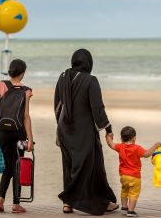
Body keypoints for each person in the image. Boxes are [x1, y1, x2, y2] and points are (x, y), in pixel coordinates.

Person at [54, 49, 118, 215]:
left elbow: (57, 105)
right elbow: (98, 108)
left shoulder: (62, 77)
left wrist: (59, 128)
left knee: (69, 165)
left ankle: (67, 203)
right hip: (83, 131)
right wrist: (108, 129)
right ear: (88, 63)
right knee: (92, 165)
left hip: (64, 129)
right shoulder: (91, 80)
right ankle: (102, 202)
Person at [0, 59, 34, 213]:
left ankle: (0, 200)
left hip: (3, 133)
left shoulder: (1, 85)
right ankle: (15, 204)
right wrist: (30, 139)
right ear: (22, 73)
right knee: (17, 165)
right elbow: (26, 116)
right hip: (19, 134)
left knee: (9, 164)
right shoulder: (26, 90)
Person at [105, 126, 161, 217]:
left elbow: (110, 144)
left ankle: (124, 206)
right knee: (133, 193)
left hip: (123, 176)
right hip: (134, 176)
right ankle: (131, 211)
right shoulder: (137, 148)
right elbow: (146, 154)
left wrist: (108, 135)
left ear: (121, 138)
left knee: (124, 190)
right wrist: (155, 146)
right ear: (134, 138)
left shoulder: (120, 147)